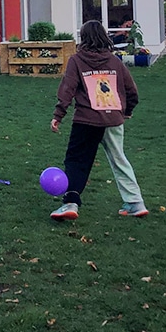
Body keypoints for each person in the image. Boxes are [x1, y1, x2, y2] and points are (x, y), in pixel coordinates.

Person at [49, 20, 142, 221]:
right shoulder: (115, 61)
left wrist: (58, 115)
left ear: (84, 38)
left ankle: (70, 203)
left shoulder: (77, 60)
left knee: (77, 160)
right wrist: (127, 111)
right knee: (119, 159)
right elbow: (131, 90)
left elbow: (67, 89)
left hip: (86, 120)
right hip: (113, 119)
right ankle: (135, 202)